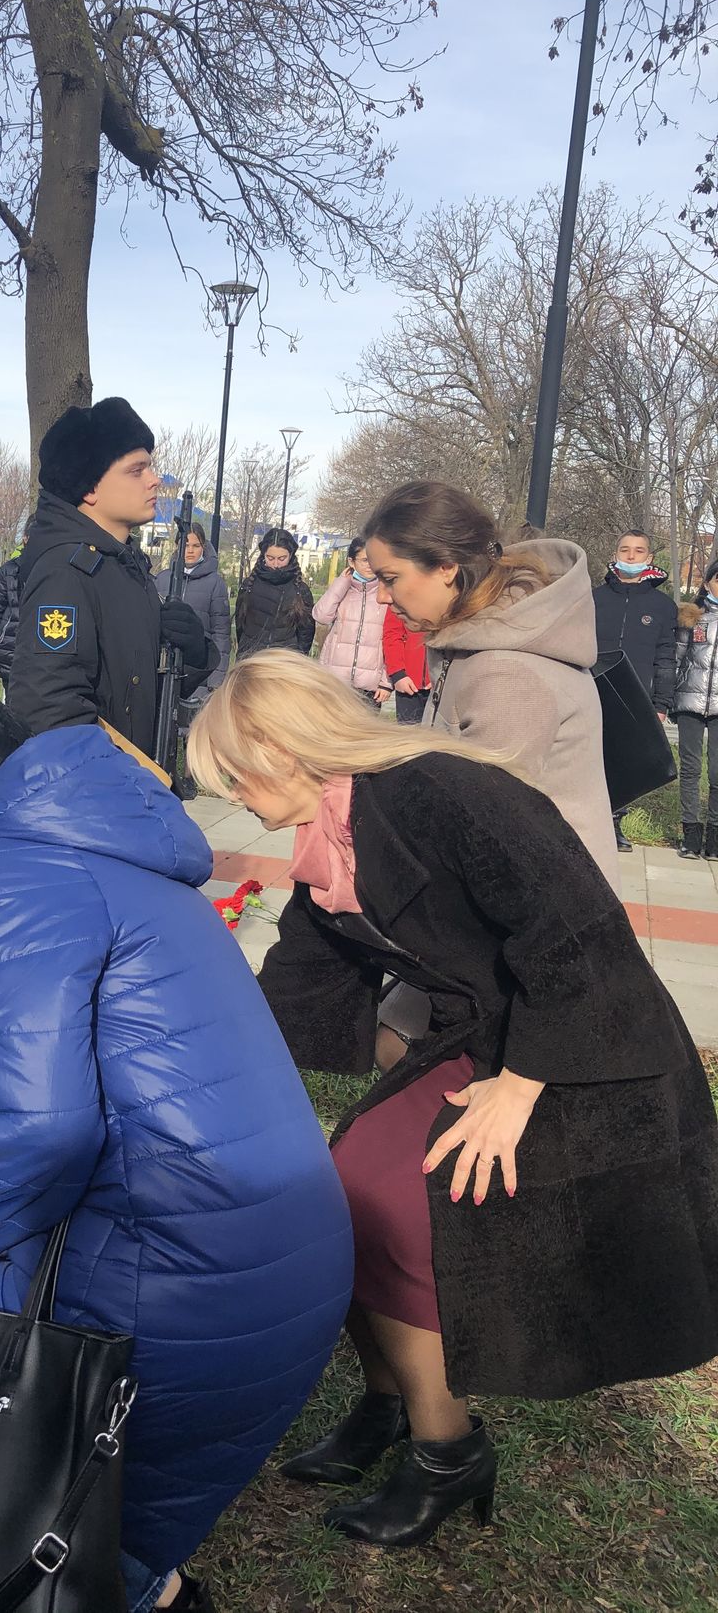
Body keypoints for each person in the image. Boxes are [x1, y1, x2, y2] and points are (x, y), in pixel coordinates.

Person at [188, 651, 718, 1550]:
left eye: (233, 770)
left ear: (285, 747)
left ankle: (449, 1451)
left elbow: (579, 932)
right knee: (338, 1188)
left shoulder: (444, 790)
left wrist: (520, 1084)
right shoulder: (335, 833)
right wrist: (196, 1078)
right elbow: (297, 985)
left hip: (585, 1044)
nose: (229, 791)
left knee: (404, 1201)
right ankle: (390, 1402)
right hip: (487, 1040)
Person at [0, 691, 353, 1612]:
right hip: (292, 1262)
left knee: (40, 1521)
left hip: (191, 1286)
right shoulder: (135, 860)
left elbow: (44, 1128)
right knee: (116, 1533)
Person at [363, 482, 619, 891]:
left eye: (390, 578)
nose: (381, 597)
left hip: (547, 916)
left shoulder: (507, 672)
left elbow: (480, 825)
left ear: (446, 565)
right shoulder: (473, 643)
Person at [8, 397, 213, 759]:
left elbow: (142, 689)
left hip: (130, 786)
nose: (155, 480)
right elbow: (50, 710)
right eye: (137, 471)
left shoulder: (125, 565)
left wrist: (192, 652)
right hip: (99, 795)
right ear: (89, 488)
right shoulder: (66, 572)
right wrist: (126, 788)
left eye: (151, 467)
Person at [591, 529, 676, 851]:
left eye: (638, 551)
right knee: (590, 758)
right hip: (592, 688)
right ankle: (588, 821)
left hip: (635, 695)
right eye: (625, 550)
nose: (630, 556)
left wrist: (661, 703)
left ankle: (614, 824)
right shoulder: (595, 597)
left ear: (649, 558)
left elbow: (667, 657)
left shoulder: (662, 606)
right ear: (615, 555)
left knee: (623, 761)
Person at [154, 519, 230, 797]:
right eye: (185, 544)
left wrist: (218, 674)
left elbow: (221, 630)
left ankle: (189, 775)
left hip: (199, 663)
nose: (190, 550)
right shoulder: (162, 578)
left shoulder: (214, 583)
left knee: (193, 725)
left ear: (204, 548)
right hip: (167, 663)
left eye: (196, 545)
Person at [313, 538, 391, 707]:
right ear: (351, 561)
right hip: (336, 678)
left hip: (370, 683)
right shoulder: (342, 589)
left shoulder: (386, 593)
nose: (370, 565)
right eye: (364, 560)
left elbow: (392, 640)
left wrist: (386, 682)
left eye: (373, 559)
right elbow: (321, 616)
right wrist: (341, 582)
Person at [675, 559, 718, 860]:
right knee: (690, 770)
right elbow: (676, 659)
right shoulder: (691, 618)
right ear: (707, 584)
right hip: (689, 702)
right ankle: (690, 834)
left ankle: (714, 836)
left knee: (717, 773)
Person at [234, 526, 315, 659]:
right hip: (251, 658)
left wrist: (297, 660)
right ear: (263, 555)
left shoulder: (300, 590)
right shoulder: (249, 585)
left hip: (284, 662)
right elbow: (240, 625)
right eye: (270, 558)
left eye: (281, 559)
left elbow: (306, 634)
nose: (276, 564)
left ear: (291, 556)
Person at [0, 513, 34, 692]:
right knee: (10, 698)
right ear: (25, 538)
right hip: (9, 644)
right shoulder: (8, 570)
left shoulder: (53, 571)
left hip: (36, 648)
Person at [382, 605, 431, 725]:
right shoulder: (400, 595)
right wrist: (398, 674)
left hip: (440, 681)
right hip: (407, 683)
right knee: (410, 738)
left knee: (442, 739)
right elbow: (392, 634)